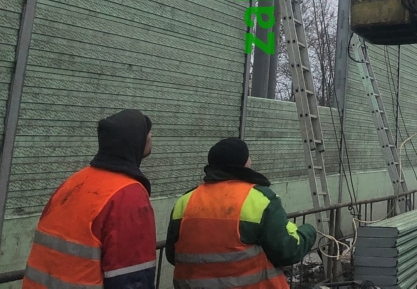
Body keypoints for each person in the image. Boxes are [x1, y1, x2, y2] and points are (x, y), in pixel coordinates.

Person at [24, 109, 156, 289]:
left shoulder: (73, 182)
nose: (151, 136)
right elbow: (132, 279)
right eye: (148, 131)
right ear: (136, 140)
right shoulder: (129, 196)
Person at [166, 138, 316, 289]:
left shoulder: (185, 201)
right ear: (244, 163)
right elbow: (287, 250)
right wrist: (309, 231)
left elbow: (173, 255)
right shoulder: (260, 199)